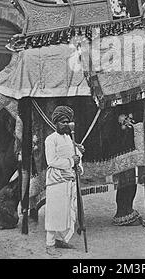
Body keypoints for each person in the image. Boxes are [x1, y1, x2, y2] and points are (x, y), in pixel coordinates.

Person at [45, 105, 83, 257]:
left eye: (68, 122)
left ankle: (61, 240)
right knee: (55, 212)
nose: (66, 125)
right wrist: (71, 162)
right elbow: (51, 161)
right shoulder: (50, 139)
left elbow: (77, 156)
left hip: (69, 180)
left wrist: (79, 165)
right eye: (63, 122)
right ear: (56, 123)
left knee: (67, 211)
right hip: (56, 180)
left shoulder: (69, 138)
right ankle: (49, 244)